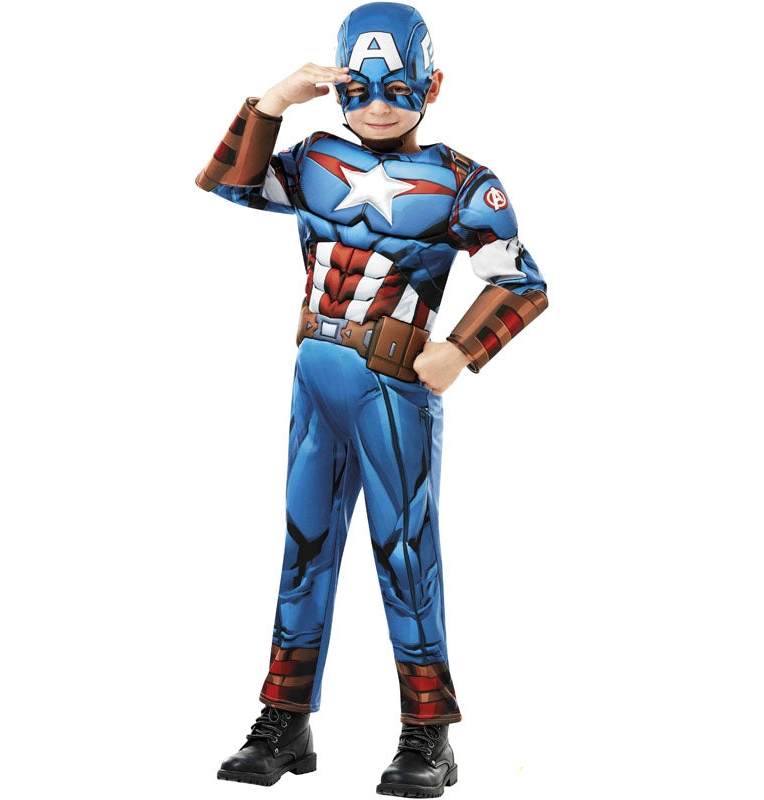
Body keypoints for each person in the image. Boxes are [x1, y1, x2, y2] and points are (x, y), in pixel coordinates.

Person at [195, 3, 547, 795]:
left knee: (406, 553)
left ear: (433, 85)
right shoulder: (315, 160)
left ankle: (428, 735)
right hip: (315, 377)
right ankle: (285, 719)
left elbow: (524, 283)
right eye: (360, 87)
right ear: (339, 85)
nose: (380, 104)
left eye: (399, 87)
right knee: (303, 547)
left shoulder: (464, 183)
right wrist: (270, 103)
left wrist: (460, 349)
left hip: (394, 388)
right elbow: (227, 183)